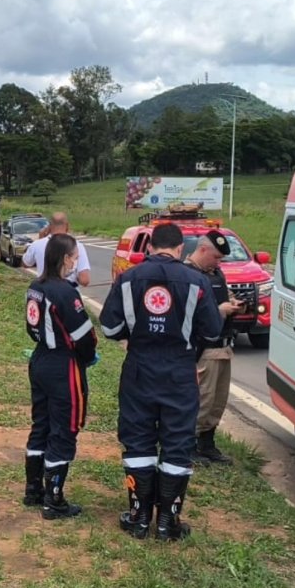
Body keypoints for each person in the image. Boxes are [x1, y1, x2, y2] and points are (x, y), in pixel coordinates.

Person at [100, 222, 223, 541]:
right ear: (180, 248)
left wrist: (140, 331)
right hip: (180, 373)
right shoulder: (196, 281)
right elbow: (212, 333)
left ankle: (139, 516)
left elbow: (111, 329)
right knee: (178, 442)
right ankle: (168, 521)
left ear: (150, 246)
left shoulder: (128, 278)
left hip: (139, 369)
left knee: (137, 440)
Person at [24, 233, 98, 519]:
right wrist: (88, 357)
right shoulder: (67, 293)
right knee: (65, 428)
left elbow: (31, 326)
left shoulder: (35, 286)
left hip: (40, 359)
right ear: (66, 258)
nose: (76, 261)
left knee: (41, 423)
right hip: (63, 365)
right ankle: (54, 500)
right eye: (75, 256)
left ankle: (33, 489)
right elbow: (84, 337)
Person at [185, 230, 246, 465]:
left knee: (218, 400)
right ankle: (189, 446)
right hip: (204, 348)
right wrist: (220, 311)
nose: (219, 263)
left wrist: (232, 303)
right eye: (216, 257)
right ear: (202, 250)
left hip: (224, 346)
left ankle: (207, 444)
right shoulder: (188, 275)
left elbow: (223, 293)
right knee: (202, 399)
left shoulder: (215, 273)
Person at [22, 212, 91, 287]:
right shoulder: (77, 245)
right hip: (69, 291)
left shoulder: (37, 244)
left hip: (45, 290)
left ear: (49, 226)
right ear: (67, 226)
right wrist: (73, 276)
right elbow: (84, 280)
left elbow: (25, 263)